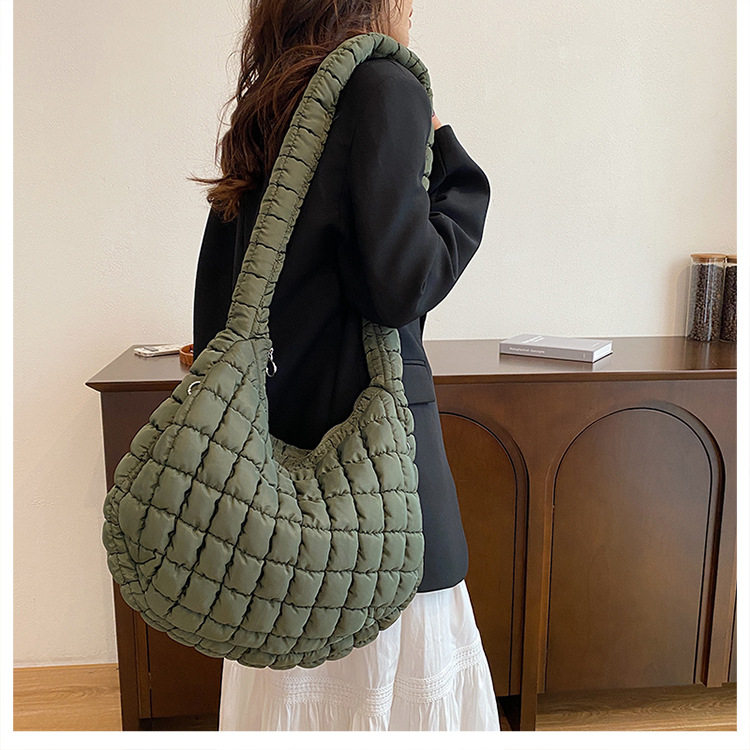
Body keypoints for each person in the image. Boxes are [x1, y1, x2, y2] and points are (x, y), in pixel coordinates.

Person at [191, 0, 498, 732]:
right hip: (374, 490)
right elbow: (399, 284)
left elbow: (220, 303)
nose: (414, 7)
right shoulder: (383, 83)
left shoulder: (272, 104)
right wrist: (456, 171)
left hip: (271, 490)